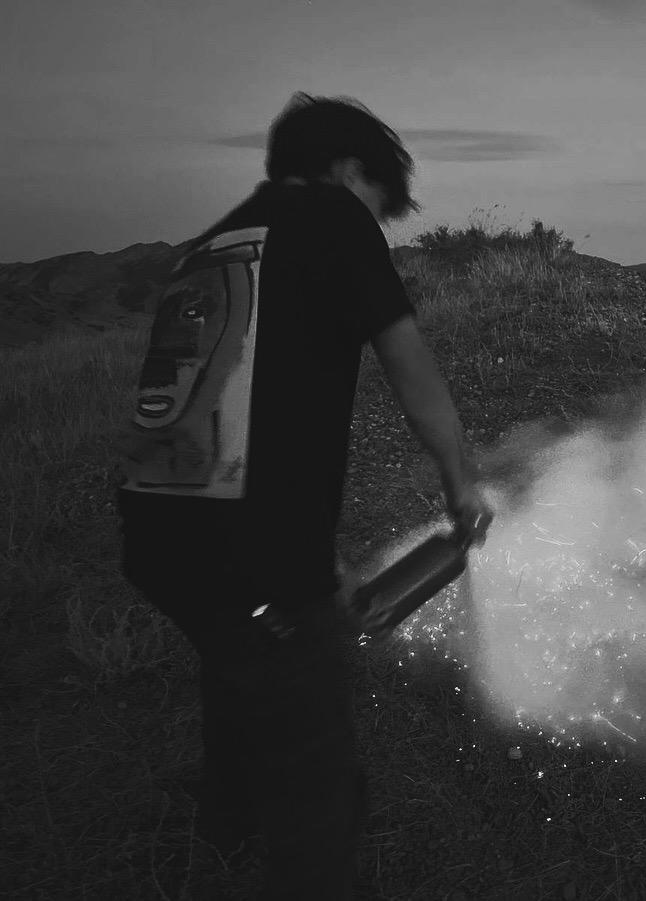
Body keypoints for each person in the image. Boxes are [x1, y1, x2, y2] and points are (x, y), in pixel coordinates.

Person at [116, 92, 493, 899]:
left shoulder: (213, 244)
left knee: (237, 656)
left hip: (156, 532)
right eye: (378, 204)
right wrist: (460, 482)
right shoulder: (331, 216)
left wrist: (313, 555)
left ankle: (224, 822)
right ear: (350, 171)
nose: (376, 222)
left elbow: (233, 413)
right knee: (316, 768)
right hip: (249, 551)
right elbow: (411, 369)